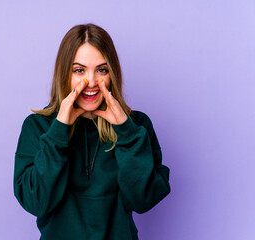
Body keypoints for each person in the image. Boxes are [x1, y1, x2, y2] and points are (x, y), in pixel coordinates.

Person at [13, 23, 171, 240]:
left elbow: (144, 200)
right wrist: (59, 132)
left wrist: (126, 132)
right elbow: (36, 202)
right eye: (79, 70)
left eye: (102, 70)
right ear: (64, 74)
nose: (91, 82)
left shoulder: (137, 126)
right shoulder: (37, 127)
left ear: (112, 73)